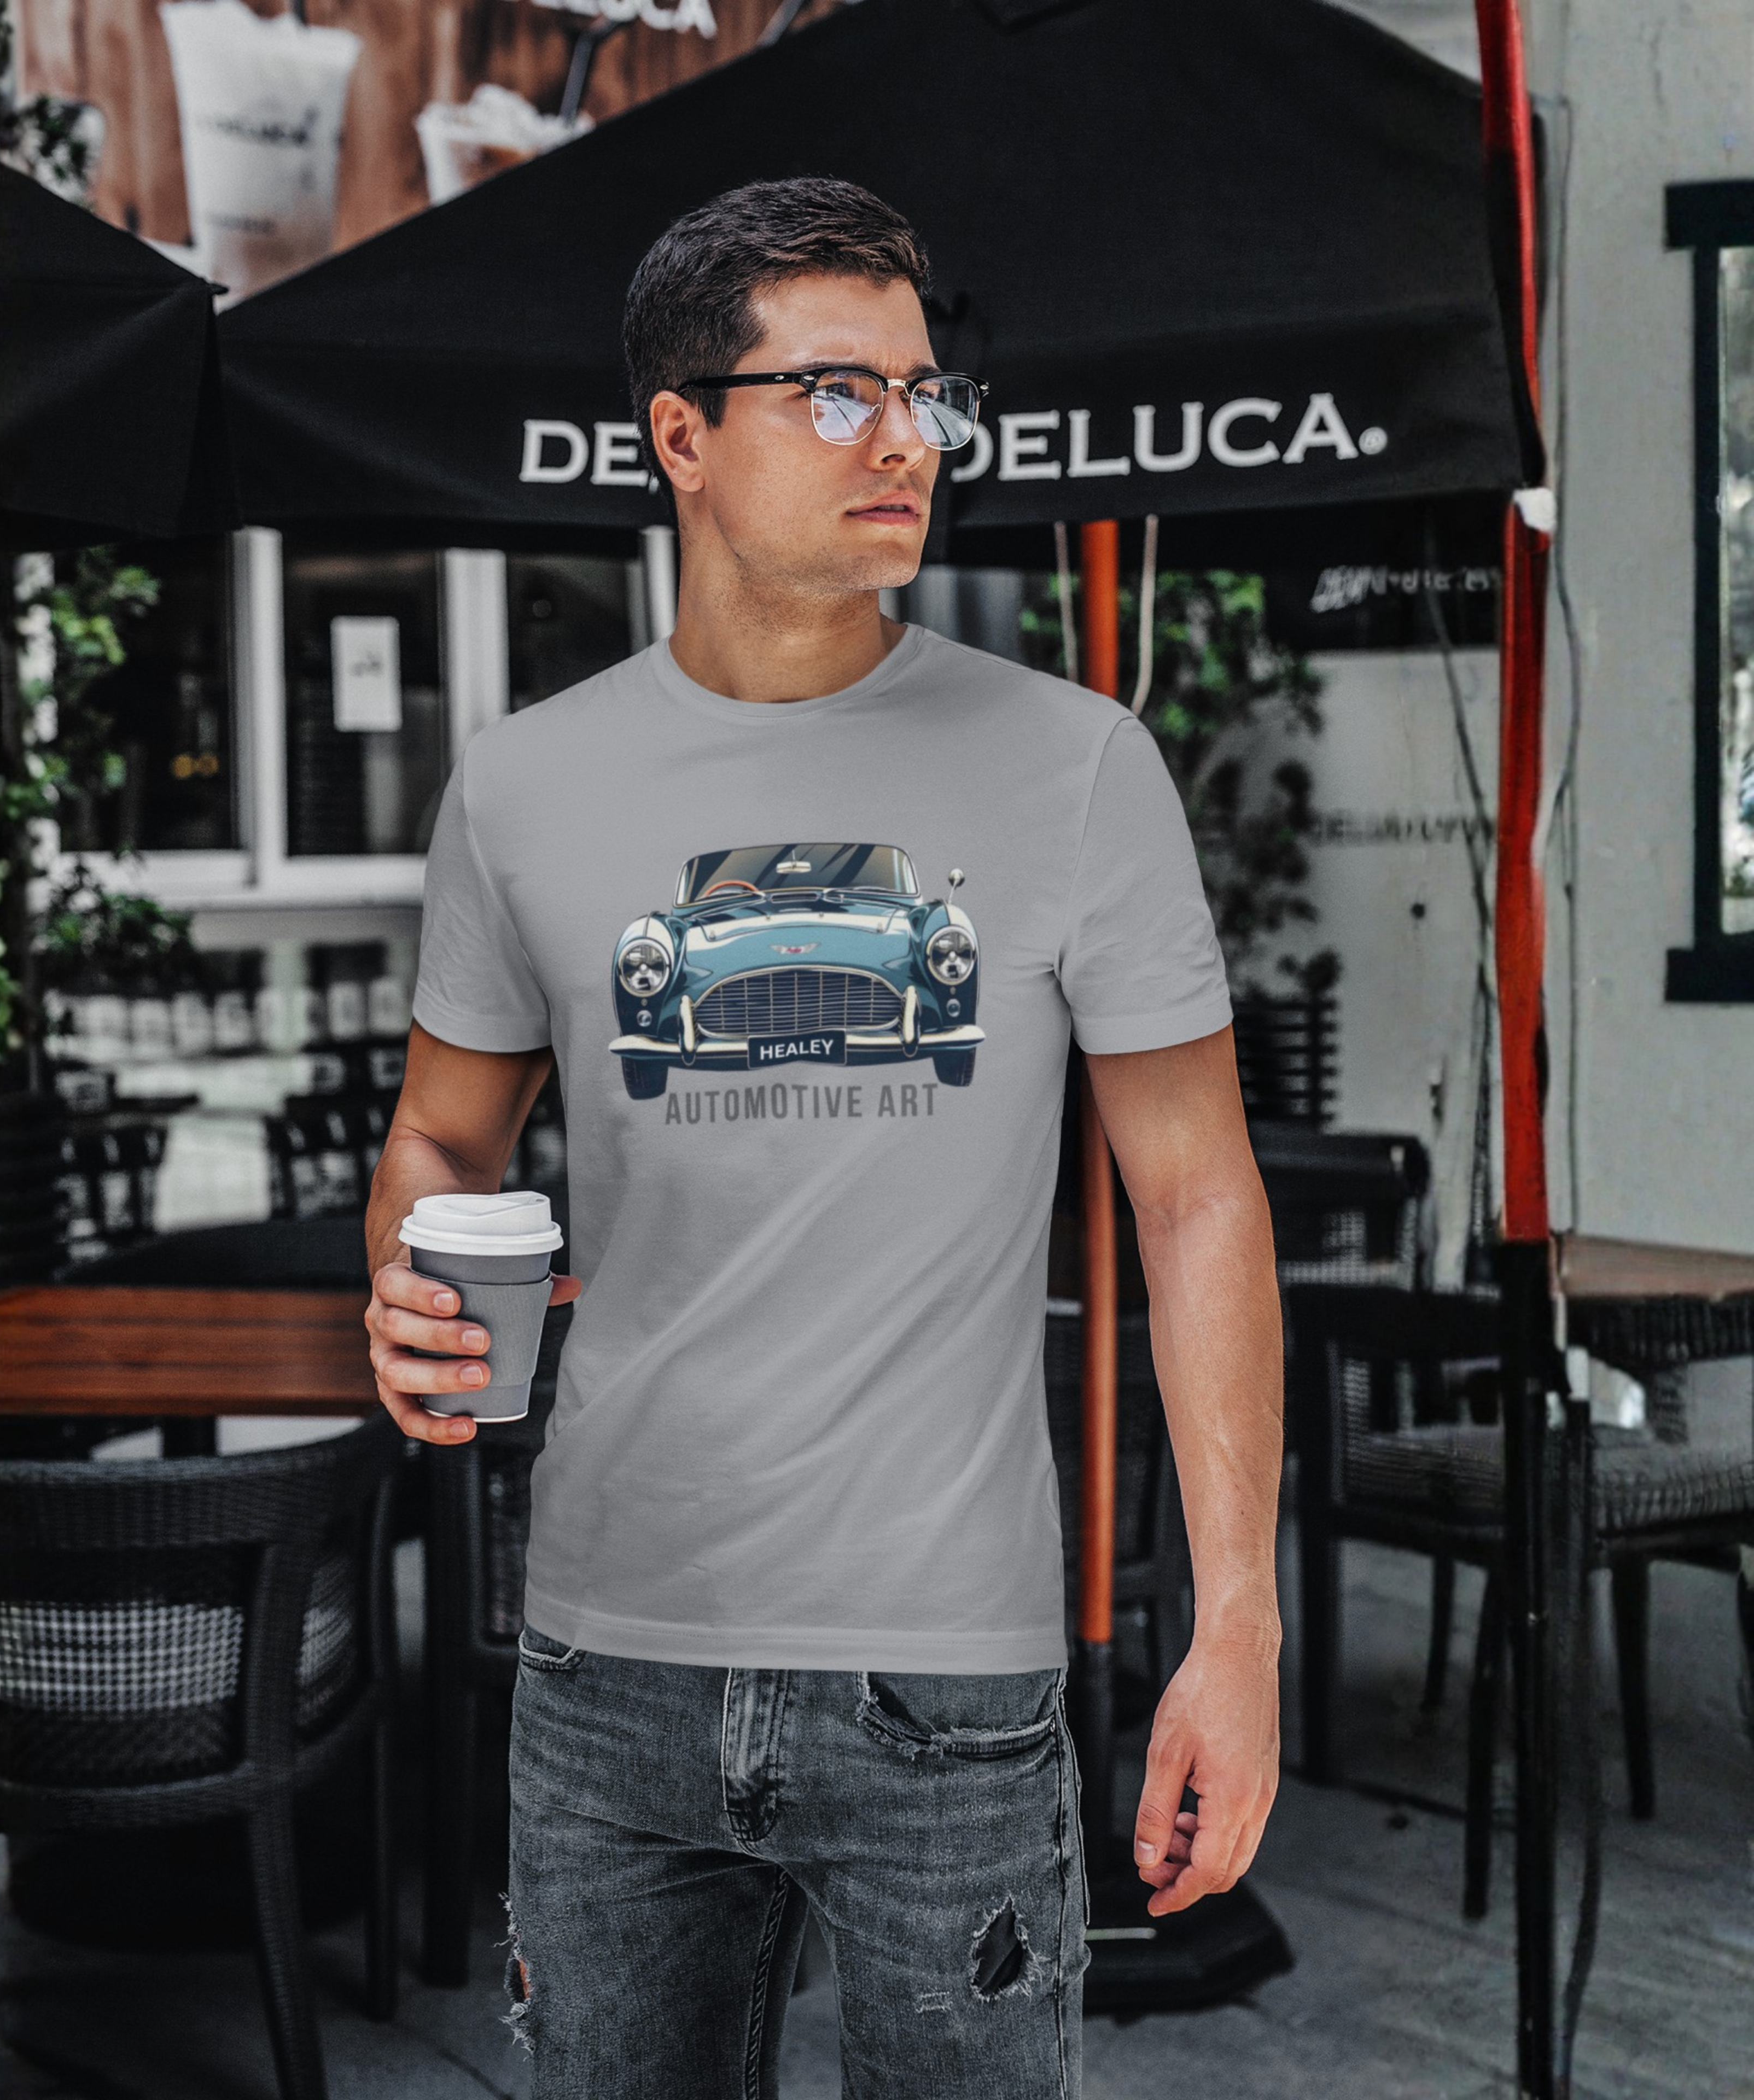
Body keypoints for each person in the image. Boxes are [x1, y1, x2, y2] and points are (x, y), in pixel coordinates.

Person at [364, 177, 1282, 2098]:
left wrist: (1237, 1622)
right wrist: (413, 1298)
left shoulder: (1079, 767)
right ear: (681, 438)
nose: (908, 442)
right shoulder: (526, 786)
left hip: (946, 1675)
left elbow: (1197, 1202)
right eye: (840, 393)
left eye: (925, 393)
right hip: (609, 1660)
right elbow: (442, 1143)